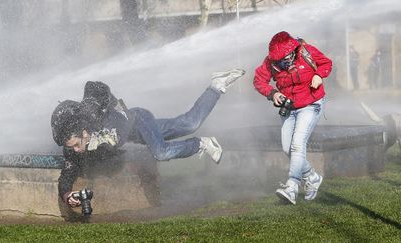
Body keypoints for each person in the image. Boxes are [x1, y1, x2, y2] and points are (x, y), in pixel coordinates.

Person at [51, 69, 245, 207]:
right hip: (138, 133)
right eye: (72, 147)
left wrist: (92, 108)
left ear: (84, 132)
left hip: (139, 119)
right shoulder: (74, 145)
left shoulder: (93, 114)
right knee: (189, 123)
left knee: (161, 152)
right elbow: (66, 174)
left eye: (76, 144)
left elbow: (94, 86)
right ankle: (217, 85)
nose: (75, 150)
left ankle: (201, 143)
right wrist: (67, 195)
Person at [253, 31, 332, 205]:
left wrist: (319, 75)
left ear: (293, 50)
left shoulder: (306, 51)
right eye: (279, 59)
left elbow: (326, 63)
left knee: (297, 145)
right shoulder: (271, 63)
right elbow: (259, 80)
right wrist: (272, 93)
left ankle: (292, 186)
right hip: (289, 107)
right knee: (287, 148)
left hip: (311, 104)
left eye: (286, 58)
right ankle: (312, 177)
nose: (283, 62)